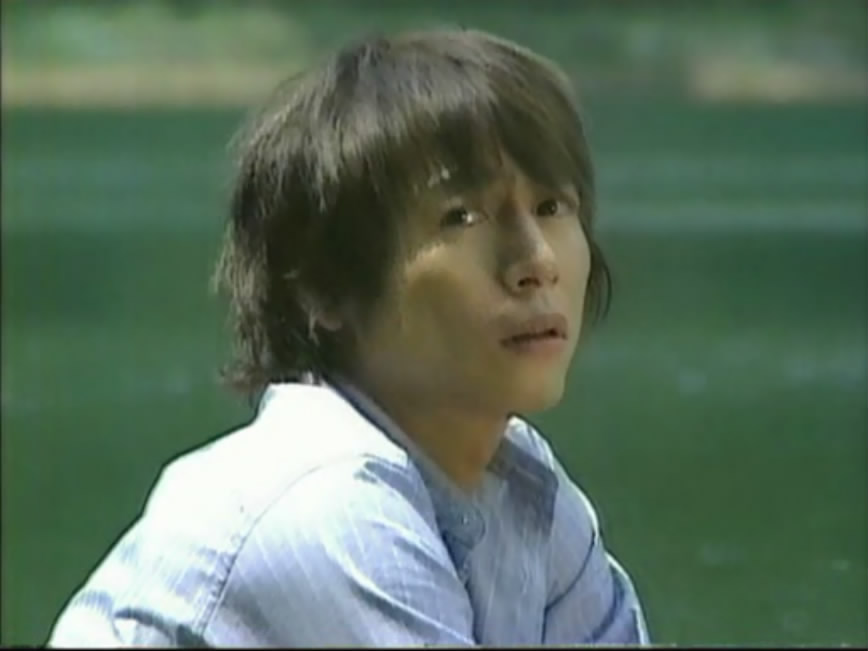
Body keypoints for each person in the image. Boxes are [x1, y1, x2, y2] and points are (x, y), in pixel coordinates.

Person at [47, 27, 650, 647]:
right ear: (324, 286)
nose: (537, 261)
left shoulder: (524, 486)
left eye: (552, 207)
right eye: (462, 216)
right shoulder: (322, 503)